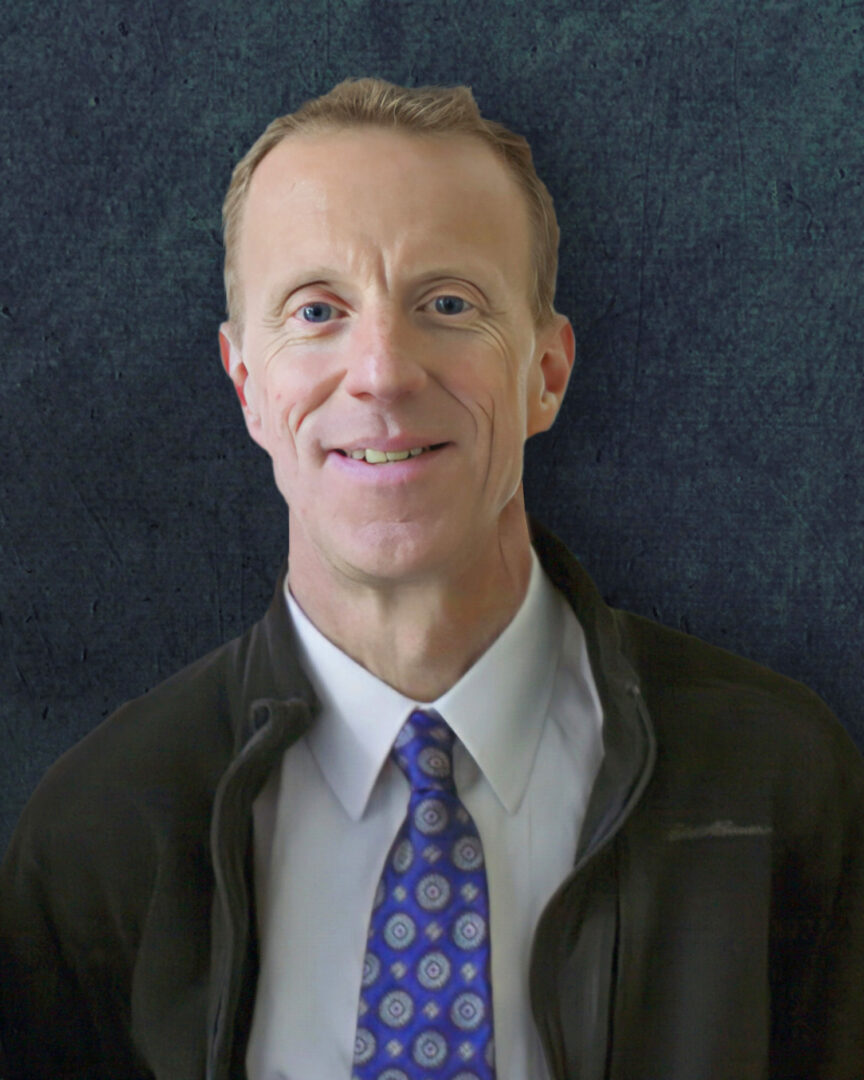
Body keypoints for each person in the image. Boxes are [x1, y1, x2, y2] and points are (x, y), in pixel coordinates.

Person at [1, 77, 862, 1080]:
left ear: (545, 373)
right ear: (248, 388)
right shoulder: (101, 828)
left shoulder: (779, 782)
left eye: (446, 304)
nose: (381, 371)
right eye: (317, 310)